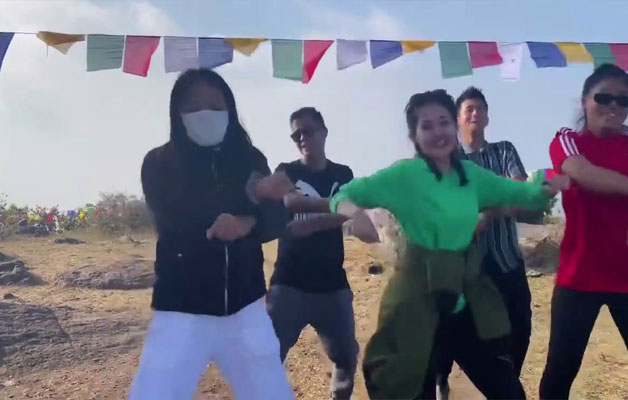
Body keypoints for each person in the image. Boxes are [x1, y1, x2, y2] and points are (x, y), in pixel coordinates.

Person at [328, 89, 567, 400]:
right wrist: (354, 214)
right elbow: (343, 195)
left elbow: (522, 193)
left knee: (508, 391)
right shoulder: (404, 175)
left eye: (443, 122)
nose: (438, 132)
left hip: (464, 302)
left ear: (454, 126)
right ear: (414, 135)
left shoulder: (471, 176)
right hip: (417, 305)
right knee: (415, 392)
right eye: (426, 126)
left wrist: (549, 184)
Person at [128, 69, 296, 400]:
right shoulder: (158, 163)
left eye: (215, 105)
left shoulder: (250, 157)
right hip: (180, 309)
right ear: (177, 113)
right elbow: (179, 219)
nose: (205, 113)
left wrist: (250, 221)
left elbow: (276, 218)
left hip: (247, 307)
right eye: (193, 106)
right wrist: (253, 195)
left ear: (230, 109)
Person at [539, 63, 628, 399]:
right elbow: (584, 174)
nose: (614, 106)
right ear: (584, 101)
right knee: (558, 376)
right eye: (603, 97)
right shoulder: (568, 140)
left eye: (624, 100)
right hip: (579, 275)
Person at [431, 87, 533, 399]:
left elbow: (520, 197)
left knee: (519, 330)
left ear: (487, 117)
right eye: (469, 110)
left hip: (506, 261)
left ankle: (505, 386)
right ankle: (441, 379)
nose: (475, 114)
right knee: (452, 330)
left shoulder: (504, 151)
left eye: (480, 109)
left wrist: (487, 213)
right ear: (458, 119)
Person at [266, 107, 359, 400]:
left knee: (346, 358)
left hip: (332, 284)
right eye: (296, 134)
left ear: (324, 132)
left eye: (308, 131)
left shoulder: (343, 173)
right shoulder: (286, 170)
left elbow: (350, 212)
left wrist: (313, 221)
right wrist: (335, 205)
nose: (302, 138)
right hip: (288, 283)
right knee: (267, 357)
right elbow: (290, 201)